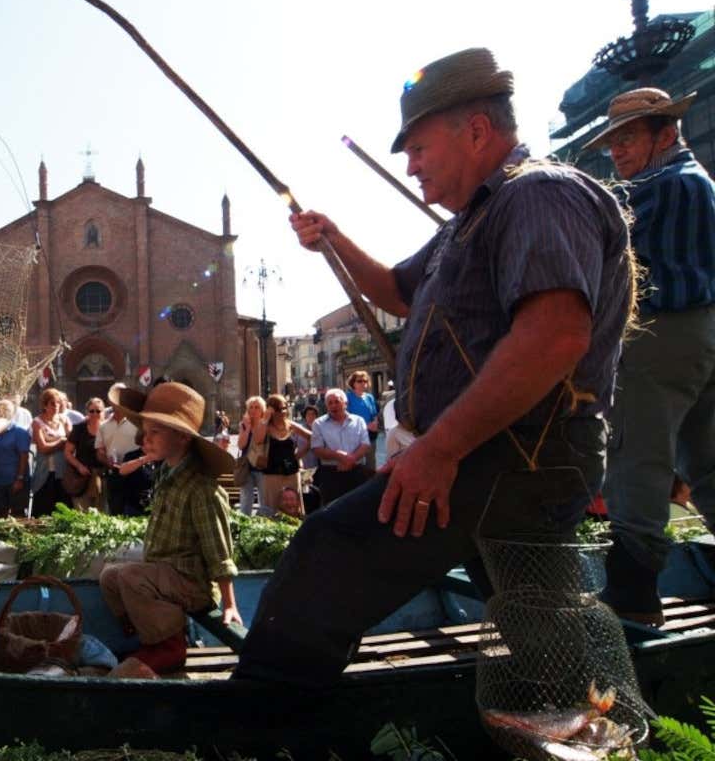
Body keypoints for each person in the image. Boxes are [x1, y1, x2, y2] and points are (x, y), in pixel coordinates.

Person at [235, 47, 634, 686]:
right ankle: (574, 716)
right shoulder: (468, 222)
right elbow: (396, 290)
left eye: (418, 149)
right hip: (499, 457)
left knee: (328, 551)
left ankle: (258, 729)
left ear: (476, 130)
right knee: (537, 619)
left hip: (516, 457)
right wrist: (332, 239)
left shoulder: (538, 196)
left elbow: (555, 335)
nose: (412, 167)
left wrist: (438, 451)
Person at [582, 88, 715, 626]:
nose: (617, 150)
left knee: (638, 457)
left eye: (628, 137)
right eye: (613, 140)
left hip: (662, 336)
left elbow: (600, 227)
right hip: (702, 335)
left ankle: (633, 598)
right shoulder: (699, 184)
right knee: (707, 462)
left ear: (666, 134)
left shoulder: (667, 185)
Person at [100, 382, 240, 674]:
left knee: (130, 577)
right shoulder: (165, 472)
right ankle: (143, 630)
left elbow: (218, 548)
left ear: (181, 438)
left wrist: (229, 603)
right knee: (110, 576)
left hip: (191, 581)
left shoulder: (201, 488)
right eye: (145, 431)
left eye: (154, 433)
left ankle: (168, 644)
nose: (144, 439)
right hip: (165, 570)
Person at [308, 388, 372, 507]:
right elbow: (317, 449)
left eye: (337, 401)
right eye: (330, 403)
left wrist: (351, 459)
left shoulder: (358, 421)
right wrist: (339, 456)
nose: (333, 406)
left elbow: (365, 444)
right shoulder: (318, 424)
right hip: (332, 475)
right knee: (332, 510)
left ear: (345, 403)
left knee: (359, 508)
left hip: (356, 472)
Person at [248, 394, 310, 518]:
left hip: (292, 473)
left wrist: (298, 456)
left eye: (285, 408)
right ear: (271, 410)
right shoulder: (265, 426)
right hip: (272, 474)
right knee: (271, 510)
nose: (283, 411)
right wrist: (265, 418)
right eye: (280, 409)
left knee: (294, 509)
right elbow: (258, 439)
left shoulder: (290, 425)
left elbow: (311, 437)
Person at [97, 389, 141, 516]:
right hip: (114, 474)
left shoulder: (137, 423)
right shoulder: (103, 426)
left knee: (135, 512)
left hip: (136, 473)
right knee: (115, 511)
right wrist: (107, 461)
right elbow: (99, 451)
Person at [29, 388, 70, 517]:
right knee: (43, 510)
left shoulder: (64, 420)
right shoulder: (37, 422)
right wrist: (61, 441)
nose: (56, 406)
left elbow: (71, 442)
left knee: (62, 510)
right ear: (45, 405)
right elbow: (43, 448)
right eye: (52, 403)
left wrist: (60, 442)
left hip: (62, 473)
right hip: (44, 473)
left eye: (58, 403)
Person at [0, 399, 31, 518]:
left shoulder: (19, 432)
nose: (2, 413)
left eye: (5, 411)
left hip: (15, 480)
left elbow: (24, 456)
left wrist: (20, 478)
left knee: (18, 513)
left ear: (11, 414)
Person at [64, 397, 106, 511]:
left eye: (98, 411)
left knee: (101, 512)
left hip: (103, 476)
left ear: (103, 412)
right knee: (82, 511)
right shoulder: (79, 429)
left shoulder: (107, 429)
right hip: (82, 476)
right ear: (87, 412)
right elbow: (68, 452)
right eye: (91, 411)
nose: (95, 414)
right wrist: (79, 466)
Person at [235, 396, 267, 516]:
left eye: (257, 407)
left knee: (264, 500)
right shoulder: (243, 425)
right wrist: (247, 428)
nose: (253, 410)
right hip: (246, 468)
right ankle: (244, 526)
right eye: (251, 407)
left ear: (262, 410)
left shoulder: (265, 425)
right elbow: (241, 446)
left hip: (262, 466)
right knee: (246, 500)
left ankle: (265, 526)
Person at [345, 371, 380, 470]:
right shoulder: (347, 397)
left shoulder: (370, 397)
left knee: (371, 463)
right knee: (356, 462)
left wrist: (375, 423)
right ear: (353, 383)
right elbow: (346, 416)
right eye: (359, 381)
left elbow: (374, 414)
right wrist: (366, 425)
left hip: (370, 435)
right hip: (355, 435)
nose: (363, 383)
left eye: (365, 381)